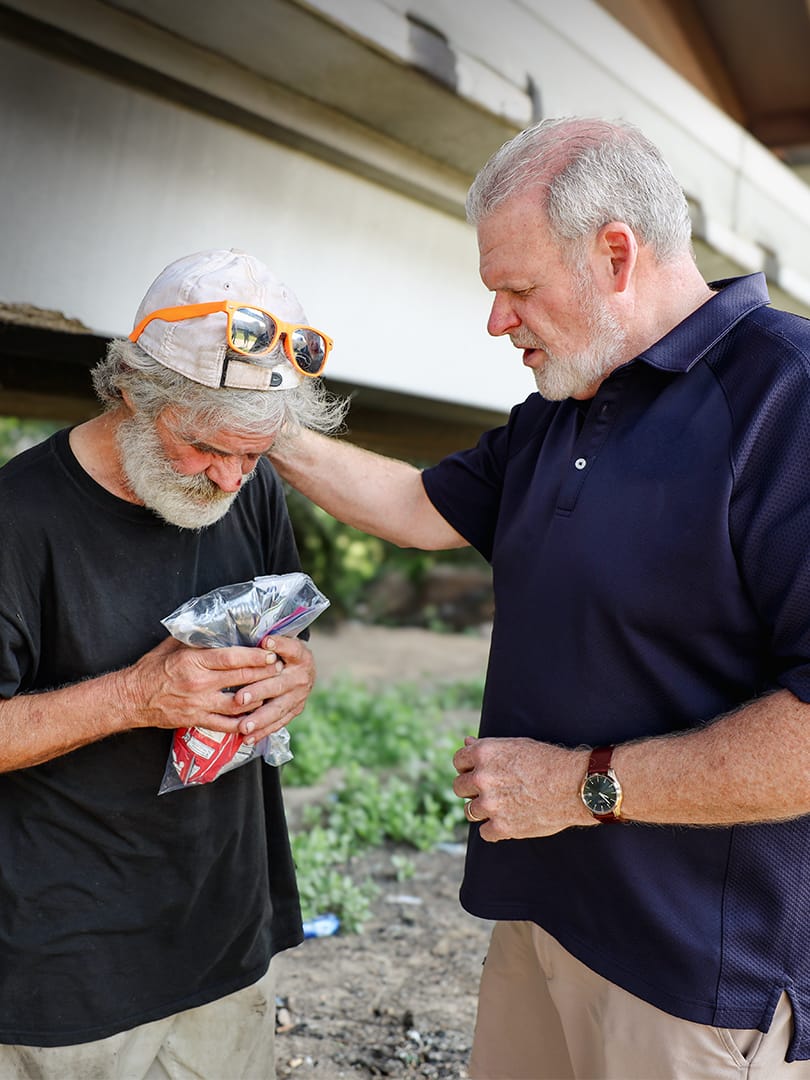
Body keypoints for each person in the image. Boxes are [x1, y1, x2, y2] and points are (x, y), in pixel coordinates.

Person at [268, 117, 810, 1079]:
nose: (496, 321)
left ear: (615, 255)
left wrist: (576, 787)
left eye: (516, 289)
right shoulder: (564, 405)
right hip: (543, 926)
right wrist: (268, 425)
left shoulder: (787, 398)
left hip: (692, 982)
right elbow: (413, 505)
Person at [0, 248, 344, 1079]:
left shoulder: (247, 489)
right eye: (204, 448)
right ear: (130, 392)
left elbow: (283, 633)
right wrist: (135, 696)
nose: (228, 477)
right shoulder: (18, 517)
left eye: (253, 454)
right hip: (67, 966)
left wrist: (295, 671)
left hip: (222, 933)